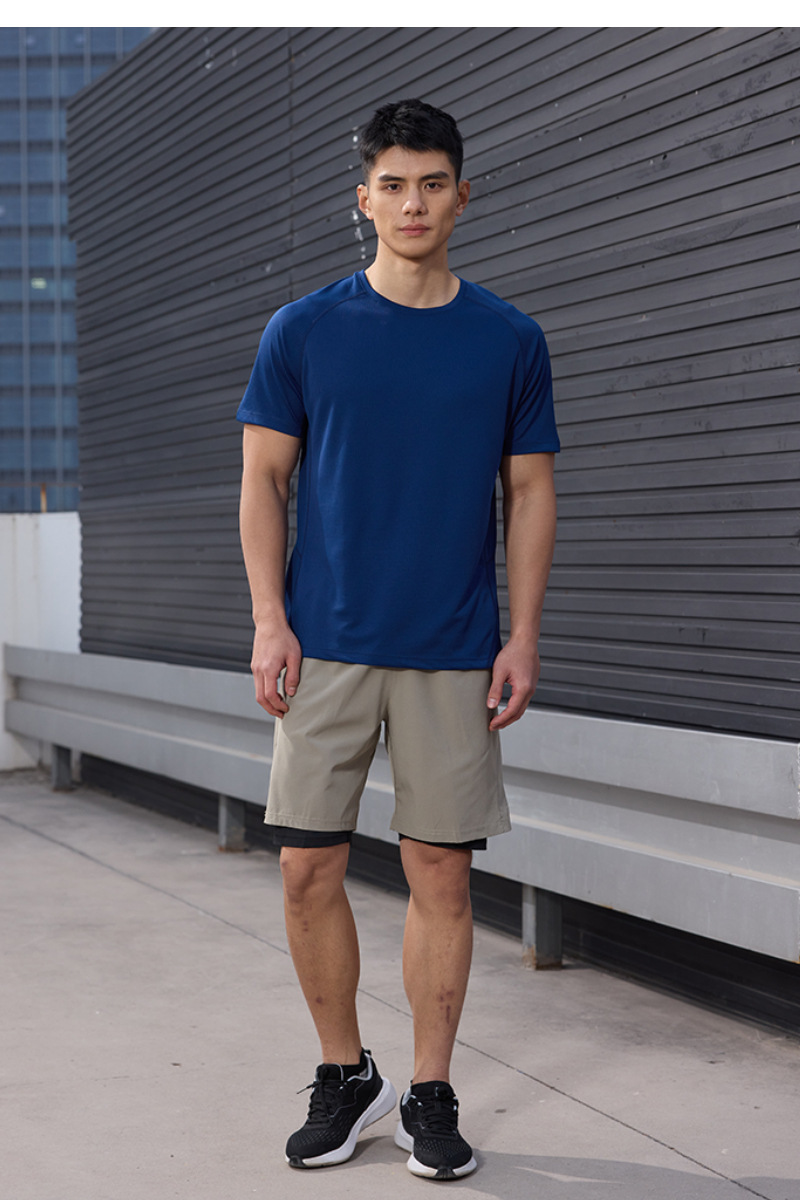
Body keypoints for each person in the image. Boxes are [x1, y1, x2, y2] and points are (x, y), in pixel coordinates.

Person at [237, 97, 559, 1181]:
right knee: (304, 871)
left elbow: (529, 494)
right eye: (392, 184)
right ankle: (346, 1074)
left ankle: (429, 1091)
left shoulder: (508, 340)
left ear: (462, 197)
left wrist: (522, 635)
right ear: (363, 199)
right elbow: (262, 481)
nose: (412, 203)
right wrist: (270, 619)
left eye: (431, 184)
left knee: (441, 878)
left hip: (453, 646)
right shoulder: (302, 330)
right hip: (324, 643)